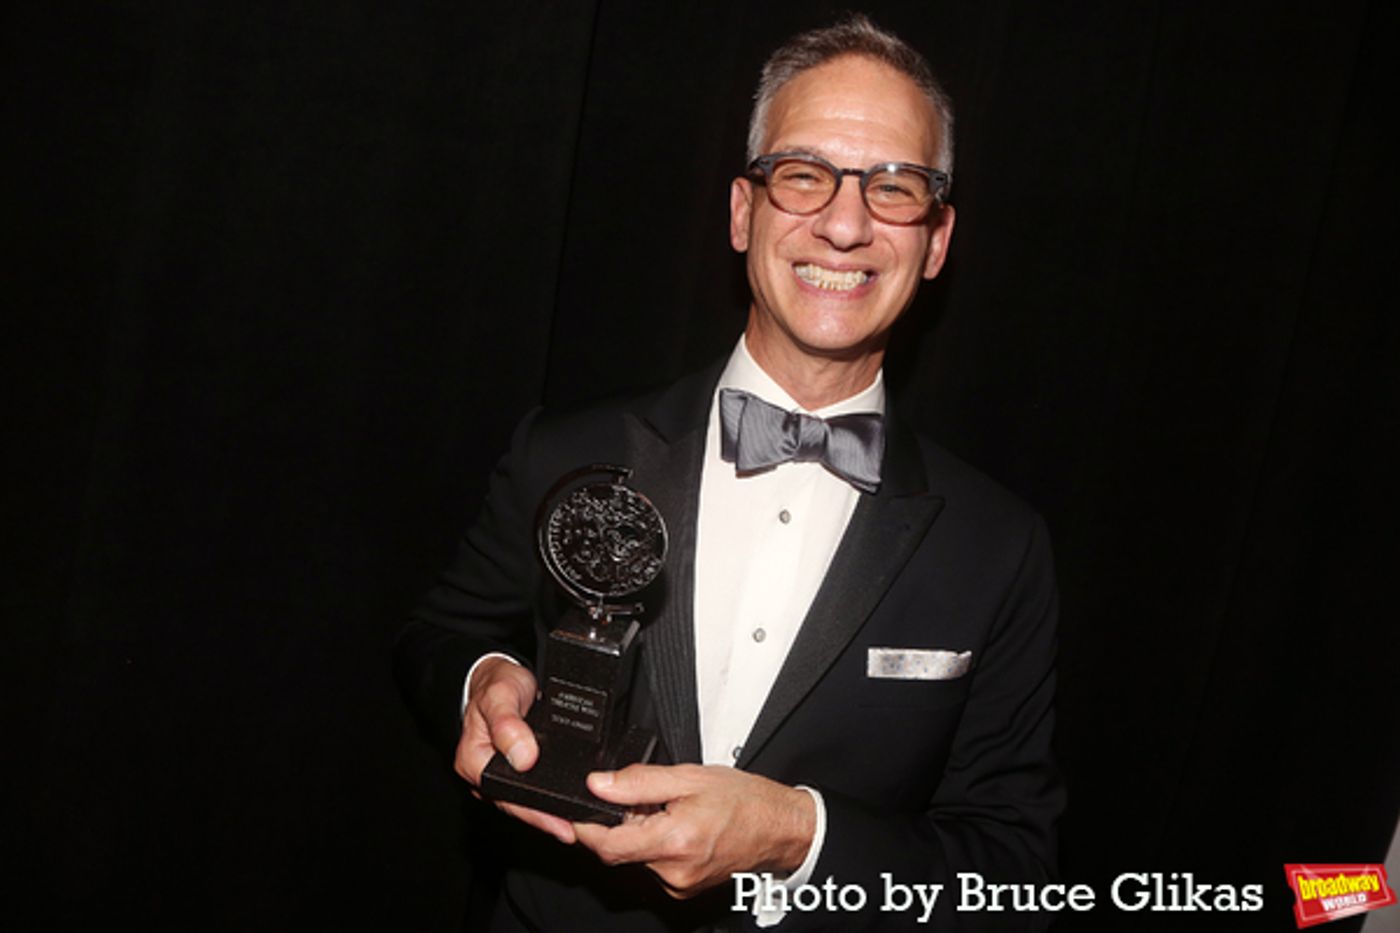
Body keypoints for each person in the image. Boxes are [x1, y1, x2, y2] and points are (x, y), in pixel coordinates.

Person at [396, 14, 1062, 931]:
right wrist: (481, 677)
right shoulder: (566, 449)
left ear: (937, 239)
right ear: (744, 213)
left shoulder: (999, 546)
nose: (843, 222)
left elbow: (1014, 872)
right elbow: (440, 632)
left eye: (895, 186)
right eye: (803, 175)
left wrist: (801, 836)